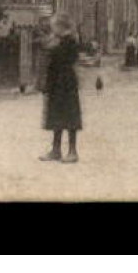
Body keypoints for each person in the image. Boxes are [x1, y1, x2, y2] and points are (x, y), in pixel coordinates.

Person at [39, 13, 83, 163]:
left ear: (61, 27)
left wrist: (53, 45)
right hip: (55, 82)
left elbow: (65, 58)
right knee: (56, 116)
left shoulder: (70, 41)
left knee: (70, 117)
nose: (52, 29)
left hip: (66, 82)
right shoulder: (58, 41)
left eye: (54, 26)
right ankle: (56, 149)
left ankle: (72, 151)